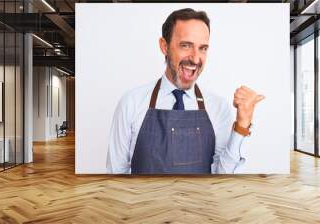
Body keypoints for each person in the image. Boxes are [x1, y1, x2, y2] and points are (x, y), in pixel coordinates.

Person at [106, 8, 264, 174]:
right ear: (164, 46)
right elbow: (116, 175)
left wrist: (241, 125)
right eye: (186, 45)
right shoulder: (131, 102)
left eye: (202, 48)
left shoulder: (218, 107)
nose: (195, 58)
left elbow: (222, 178)